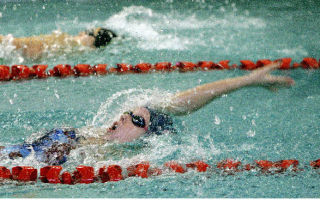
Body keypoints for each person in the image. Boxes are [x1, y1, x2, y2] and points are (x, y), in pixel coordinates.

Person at [0, 62, 294, 165]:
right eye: (129, 113)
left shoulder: (106, 160)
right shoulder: (89, 137)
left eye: (138, 120)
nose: (126, 117)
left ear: (146, 138)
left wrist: (247, 81)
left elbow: (181, 104)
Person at [0, 27, 117, 59]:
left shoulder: (68, 42)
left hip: (22, 51)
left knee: (8, 43)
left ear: (93, 42)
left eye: (89, 32)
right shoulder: (71, 48)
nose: (82, 32)